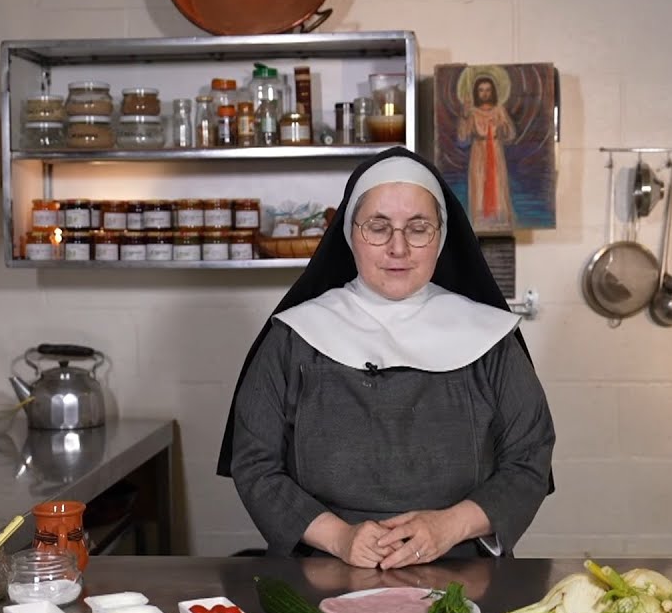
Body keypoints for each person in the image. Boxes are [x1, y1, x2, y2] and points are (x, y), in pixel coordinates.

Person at [218, 147, 555, 569]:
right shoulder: (293, 337)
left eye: (418, 228)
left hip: (462, 566)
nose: (399, 248)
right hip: (321, 566)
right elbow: (254, 463)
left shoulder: (491, 340)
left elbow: (529, 459)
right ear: (349, 233)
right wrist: (339, 537)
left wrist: (448, 527)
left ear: (441, 236)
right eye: (378, 227)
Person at [458, 75, 516, 228]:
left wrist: (502, 126)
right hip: (479, 152)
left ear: (493, 92)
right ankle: (480, 222)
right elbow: (462, 138)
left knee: (498, 183)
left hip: (495, 150)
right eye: (481, 90)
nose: (484, 93)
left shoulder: (499, 110)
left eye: (488, 90)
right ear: (477, 93)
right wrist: (464, 116)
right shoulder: (472, 113)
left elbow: (510, 135)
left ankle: (500, 220)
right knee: (479, 184)